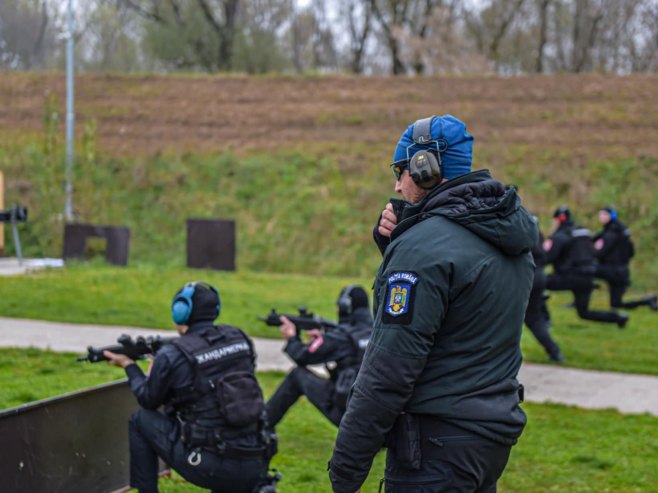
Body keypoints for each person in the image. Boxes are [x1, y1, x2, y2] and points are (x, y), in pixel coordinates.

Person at [329, 115, 537, 493]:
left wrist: (346, 467)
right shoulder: (503, 232)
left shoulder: (423, 249)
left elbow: (389, 369)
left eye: (401, 169)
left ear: (426, 167)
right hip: (488, 439)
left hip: (435, 446)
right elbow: (459, 318)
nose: (396, 183)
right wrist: (399, 247)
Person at [104, 281, 275, 493]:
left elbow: (148, 399)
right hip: (257, 456)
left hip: (210, 464)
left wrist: (129, 366)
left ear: (181, 311)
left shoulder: (172, 355)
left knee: (140, 420)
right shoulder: (238, 337)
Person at [265, 285, 373, 429]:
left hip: (350, 414)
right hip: (377, 413)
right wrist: (324, 340)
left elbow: (303, 355)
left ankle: (259, 427)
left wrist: (292, 338)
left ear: (345, 306)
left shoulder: (341, 337)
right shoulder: (377, 332)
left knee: (297, 375)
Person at [544, 206, 629, 328]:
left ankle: (543, 320)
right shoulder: (583, 233)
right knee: (584, 313)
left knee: (538, 283)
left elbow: (548, 257)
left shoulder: (560, 236)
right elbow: (595, 251)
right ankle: (618, 317)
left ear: (558, 220)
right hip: (588, 278)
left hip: (570, 277)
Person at [593, 206, 657, 311]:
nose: (601, 217)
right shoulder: (619, 231)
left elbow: (600, 252)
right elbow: (631, 253)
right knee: (617, 304)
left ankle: (579, 302)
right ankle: (647, 300)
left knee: (584, 271)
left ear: (612, 216)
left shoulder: (611, 232)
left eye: (604, 214)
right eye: (600, 214)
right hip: (621, 272)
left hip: (613, 271)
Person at [525, 221, 564, 363]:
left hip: (527, 276)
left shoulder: (518, 231)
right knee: (533, 318)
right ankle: (554, 351)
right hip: (539, 275)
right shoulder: (537, 234)